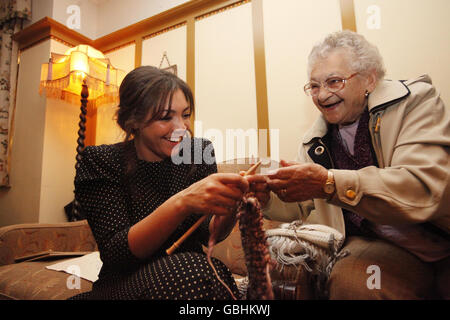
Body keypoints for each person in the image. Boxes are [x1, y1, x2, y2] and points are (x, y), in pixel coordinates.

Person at [247, 30, 450, 299]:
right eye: (315, 86)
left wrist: (329, 183)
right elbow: (306, 205)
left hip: (439, 242)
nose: (322, 95)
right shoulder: (315, 141)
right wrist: (268, 196)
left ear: (369, 79)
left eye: (334, 81)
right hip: (377, 245)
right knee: (355, 280)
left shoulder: (415, 103)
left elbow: (421, 187)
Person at [71, 66, 249, 300]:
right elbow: (118, 254)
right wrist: (182, 202)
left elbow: (208, 234)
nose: (181, 128)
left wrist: (232, 204)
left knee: (207, 274)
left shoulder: (198, 152)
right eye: (166, 117)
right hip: (126, 282)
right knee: (193, 273)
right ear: (132, 122)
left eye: (185, 115)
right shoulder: (101, 161)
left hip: (194, 272)